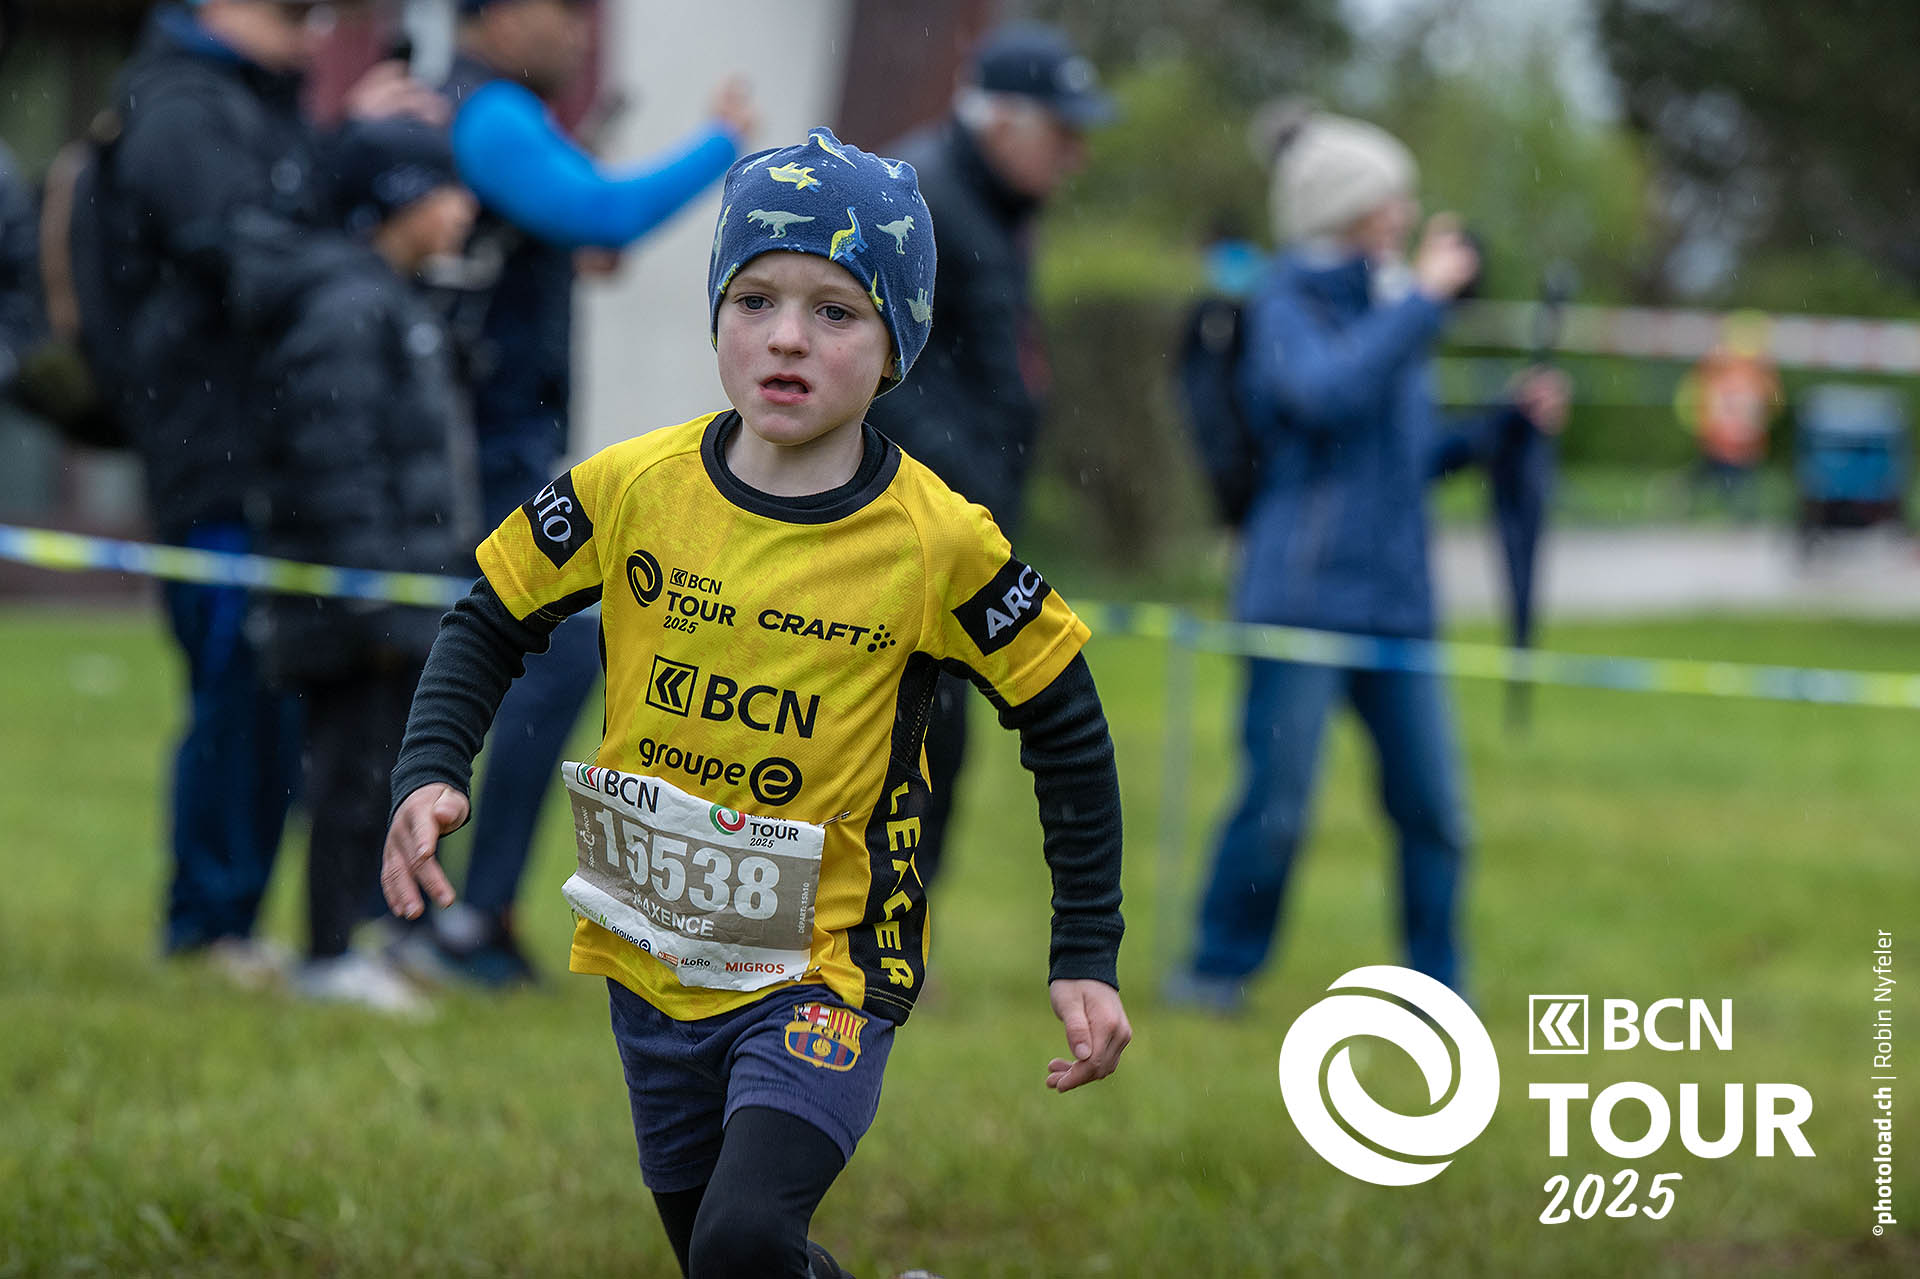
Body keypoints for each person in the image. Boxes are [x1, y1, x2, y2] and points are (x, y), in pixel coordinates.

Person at [381, 129, 1131, 1277]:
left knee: (742, 1239)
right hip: (653, 953)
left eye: (835, 311)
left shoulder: (940, 542)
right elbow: (490, 613)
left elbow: (1065, 723)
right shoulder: (630, 487)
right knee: (727, 1263)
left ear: (897, 343)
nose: (786, 336)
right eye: (755, 299)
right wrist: (432, 768)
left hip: (829, 966)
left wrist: (1084, 945)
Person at [1165, 111, 1569, 1012]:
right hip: (1300, 600)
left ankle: (1439, 987)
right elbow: (1323, 396)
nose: (1410, 214)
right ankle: (1216, 972)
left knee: (1435, 812)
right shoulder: (1285, 305)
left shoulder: (1391, 308)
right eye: (1395, 197)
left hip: (1398, 604)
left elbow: (1410, 456)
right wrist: (1421, 302)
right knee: (1277, 808)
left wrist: (1503, 425)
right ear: (1348, 207)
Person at [414, 0, 757, 985]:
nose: (578, 29)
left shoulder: (486, 111)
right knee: (551, 652)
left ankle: (455, 914)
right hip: (473, 453)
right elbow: (603, 213)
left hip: (479, 445)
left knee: (513, 658)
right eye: (560, 8)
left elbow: (579, 238)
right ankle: (458, 917)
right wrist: (722, 143)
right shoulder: (491, 114)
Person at [102, 0, 343, 978]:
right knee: (235, 684)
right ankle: (204, 926)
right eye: (293, 9)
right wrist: (368, 249)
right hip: (213, 454)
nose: (313, 27)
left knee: (271, 691)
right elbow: (244, 253)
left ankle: (230, 920)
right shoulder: (179, 106)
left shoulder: (260, 104)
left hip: (271, 454)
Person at [861, 21, 1112, 890]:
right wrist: (962, 490)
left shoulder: (994, 204)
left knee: (935, 753)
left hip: (956, 529)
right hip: (899, 536)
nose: (1076, 157)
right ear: (1002, 121)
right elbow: (879, 378)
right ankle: (851, 938)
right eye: (1063, 133)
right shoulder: (920, 196)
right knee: (887, 756)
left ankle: (895, 935)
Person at [242, 120, 479, 1011]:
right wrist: (374, 595)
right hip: (356, 599)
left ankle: (379, 930)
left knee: (388, 770)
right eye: (444, 189)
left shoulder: (393, 300)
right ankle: (328, 953)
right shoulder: (346, 309)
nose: (464, 209)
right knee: (350, 776)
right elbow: (332, 462)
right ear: (396, 200)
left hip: (400, 592)